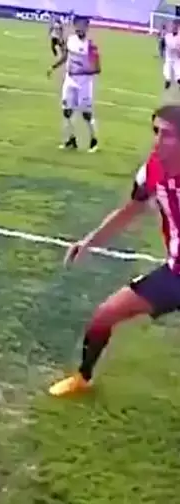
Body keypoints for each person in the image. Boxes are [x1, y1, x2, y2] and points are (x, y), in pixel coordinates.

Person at [49, 104, 180, 397]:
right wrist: (89, 242)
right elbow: (129, 210)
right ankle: (83, 378)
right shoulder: (152, 171)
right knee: (104, 315)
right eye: (156, 132)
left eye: (168, 135)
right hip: (175, 274)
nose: (158, 140)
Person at [47, 16, 100, 152]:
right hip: (70, 81)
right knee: (67, 111)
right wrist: (53, 67)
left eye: (83, 26)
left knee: (86, 114)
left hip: (84, 84)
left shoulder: (90, 45)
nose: (80, 28)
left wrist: (79, 70)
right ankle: (71, 140)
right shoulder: (70, 40)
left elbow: (97, 68)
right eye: (78, 25)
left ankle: (94, 141)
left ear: (87, 28)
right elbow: (66, 57)